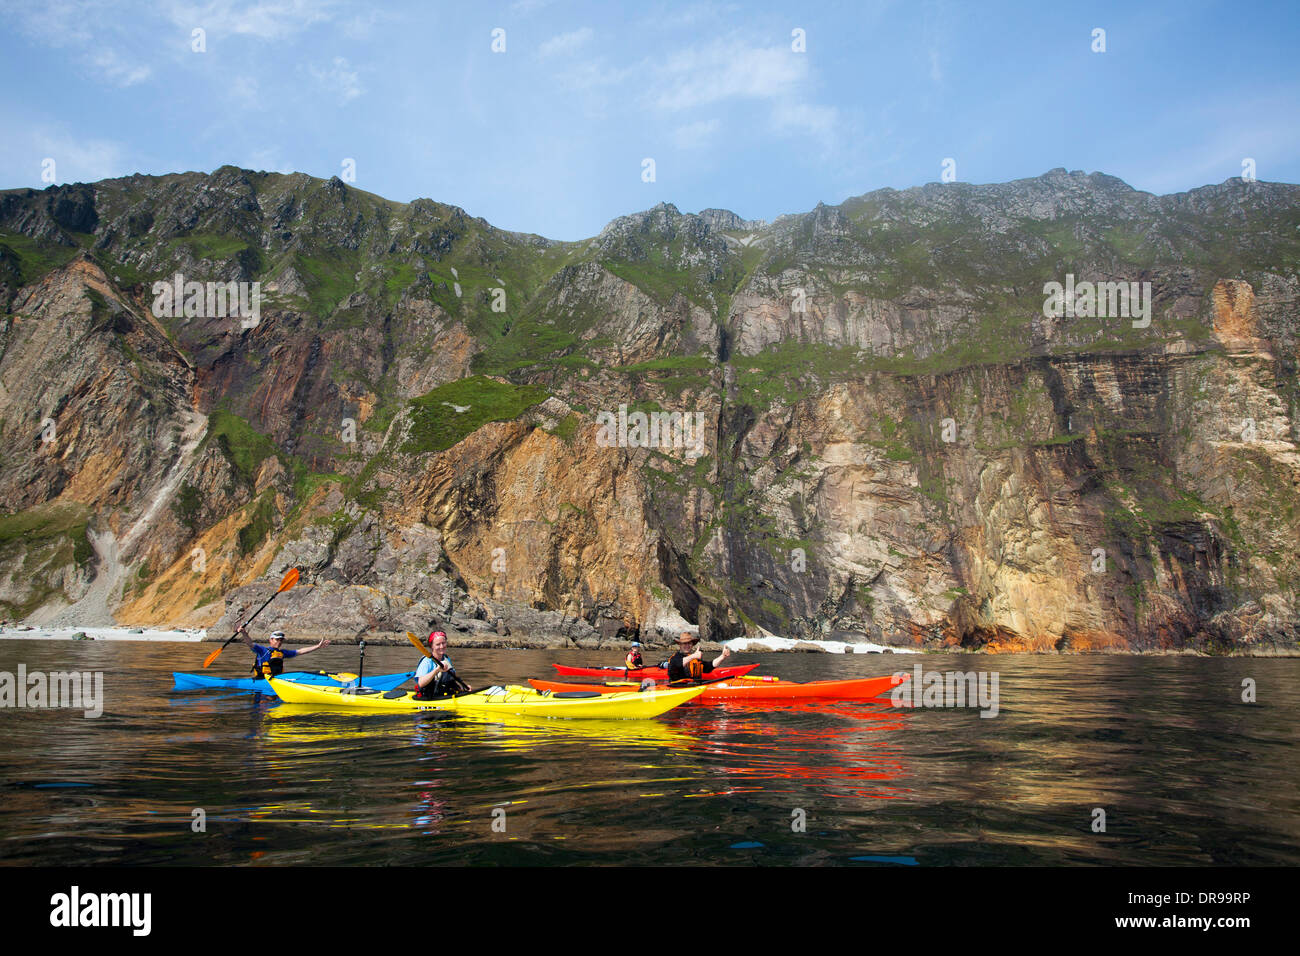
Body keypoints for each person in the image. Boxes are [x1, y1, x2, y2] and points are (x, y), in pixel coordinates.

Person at [235, 625, 329, 678]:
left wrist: (318, 646)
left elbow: (300, 651)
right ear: (270, 640)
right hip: (262, 679)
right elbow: (250, 644)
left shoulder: (282, 653)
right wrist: (244, 633)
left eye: (281, 640)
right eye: (277, 640)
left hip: (277, 679)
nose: (279, 642)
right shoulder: (262, 650)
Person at [414, 629, 471, 699]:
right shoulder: (426, 661)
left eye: (443, 643)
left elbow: (452, 678)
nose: (441, 646)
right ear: (432, 646)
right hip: (428, 697)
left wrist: (463, 688)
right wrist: (437, 670)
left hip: (444, 695)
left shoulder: (446, 658)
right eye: (438, 644)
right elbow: (421, 683)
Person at [665, 631, 730, 683]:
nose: (687, 645)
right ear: (680, 645)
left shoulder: (695, 659)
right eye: (685, 643)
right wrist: (693, 656)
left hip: (695, 686)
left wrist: (722, 656)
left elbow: (709, 666)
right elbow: (677, 664)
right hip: (678, 688)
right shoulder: (675, 658)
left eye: (689, 643)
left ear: (692, 645)